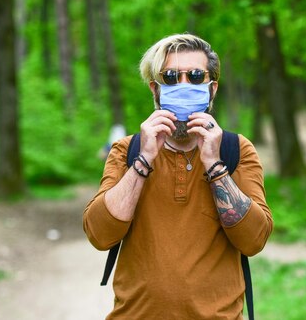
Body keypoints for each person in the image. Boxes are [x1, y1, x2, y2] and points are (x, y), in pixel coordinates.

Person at [83, 33, 273, 319]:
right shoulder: (127, 151)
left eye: (196, 76)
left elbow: (254, 240)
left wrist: (214, 164)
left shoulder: (236, 149)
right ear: (155, 89)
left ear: (212, 88)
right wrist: (144, 159)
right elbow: (99, 234)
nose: (184, 84)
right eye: (170, 77)